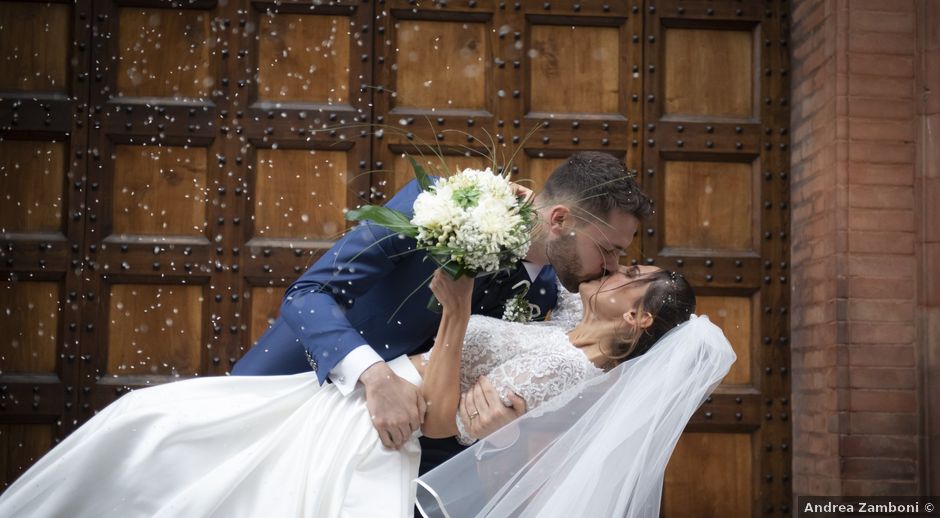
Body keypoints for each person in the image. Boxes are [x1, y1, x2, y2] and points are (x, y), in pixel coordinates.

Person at [0, 265, 715, 518]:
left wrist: (459, 316)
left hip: (384, 426)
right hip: (359, 397)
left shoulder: (570, 368)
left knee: (196, 455)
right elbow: (557, 277)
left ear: (639, 317)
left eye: (631, 278)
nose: (616, 272)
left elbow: (447, 424)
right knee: (164, 423)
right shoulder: (568, 325)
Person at [232, 151, 653, 473]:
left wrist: (495, 430)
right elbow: (308, 295)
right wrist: (374, 376)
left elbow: (463, 400)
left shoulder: (545, 295)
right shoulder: (433, 207)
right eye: (608, 249)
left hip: (380, 457)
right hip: (290, 395)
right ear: (560, 219)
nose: (613, 266)